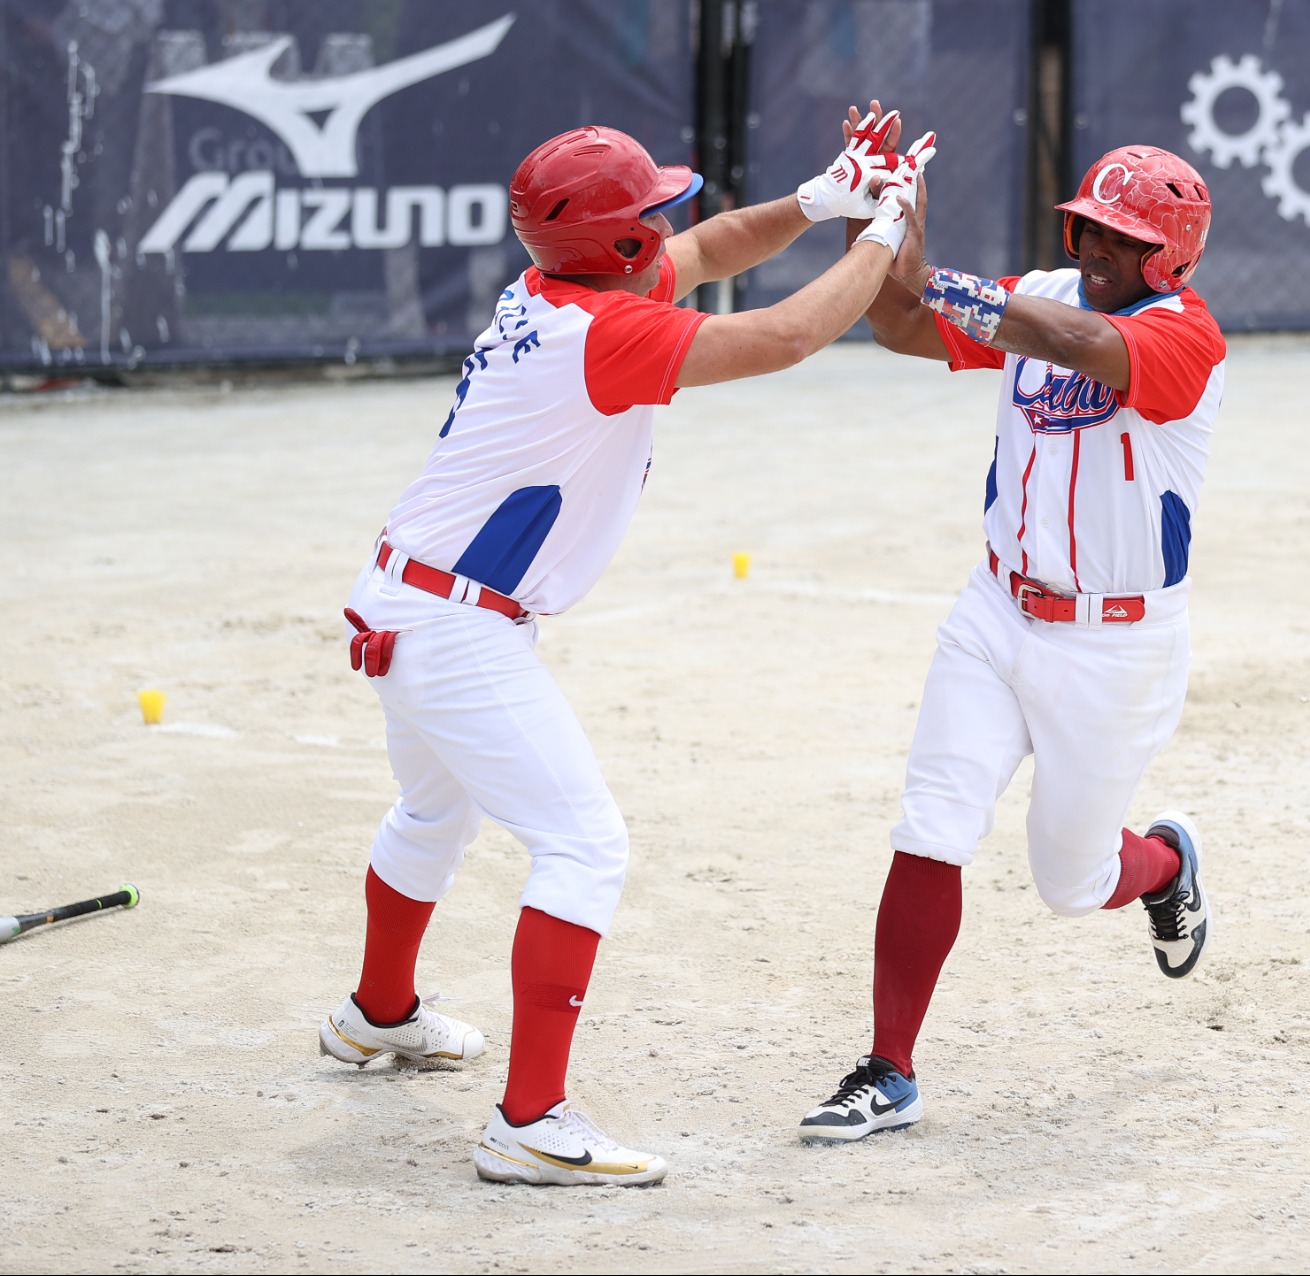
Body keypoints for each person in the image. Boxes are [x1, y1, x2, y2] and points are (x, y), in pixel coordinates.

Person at [316, 111, 935, 1186]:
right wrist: (882, 229)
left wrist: (819, 198)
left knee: (432, 811)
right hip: (457, 628)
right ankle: (529, 1119)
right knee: (585, 848)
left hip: (408, 601)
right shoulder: (604, 333)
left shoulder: (558, 294)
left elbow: (707, 250)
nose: (668, 220)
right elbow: (785, 336)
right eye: (648, 210)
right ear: (615, 244)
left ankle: (377, 1016)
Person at [798, 143, 1227, 1143]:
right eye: (1088, 228)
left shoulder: (1184, 339)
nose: (1099, 249)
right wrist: (897, 217)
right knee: (932, 822)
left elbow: (1080, 342)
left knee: (1070, 883)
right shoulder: (1038, 294)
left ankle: (1164, 867)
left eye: (1127, 239)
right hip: (996, 614)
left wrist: (935, 277)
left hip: (1114, 649)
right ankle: (888, 1067)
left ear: (1172, 258)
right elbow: (903, 323)